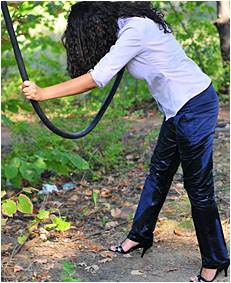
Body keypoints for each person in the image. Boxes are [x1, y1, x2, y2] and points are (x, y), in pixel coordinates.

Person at [19, 1, 229, 282]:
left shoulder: (135, 29)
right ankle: (139, 236)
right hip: (175, 109)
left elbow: (96, 78)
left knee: (198, 187)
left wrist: (43, 93)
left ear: (96, 24)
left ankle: (215, 259)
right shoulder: (126, 26)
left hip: (195, 105)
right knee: (158, 173)